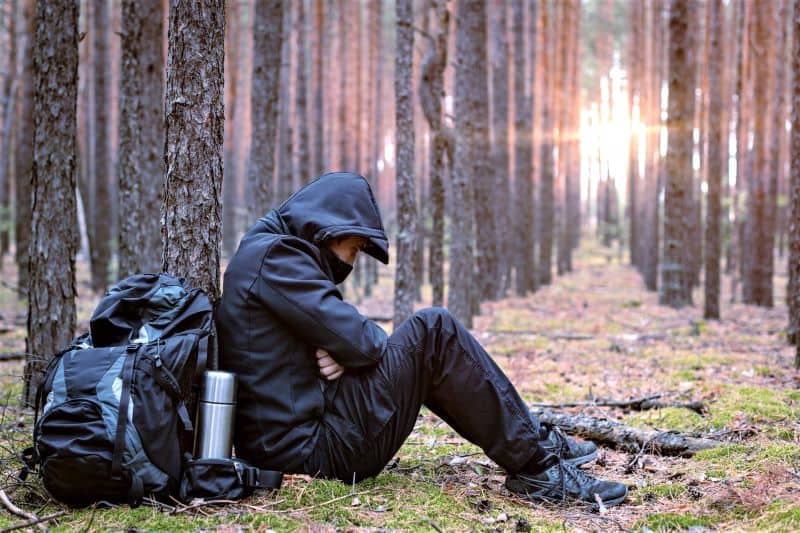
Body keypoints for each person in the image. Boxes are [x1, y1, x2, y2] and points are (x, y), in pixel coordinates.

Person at [217, 172, 628, 507]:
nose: (353, 262)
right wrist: (349, 348)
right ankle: (539, 468)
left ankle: (535, 442)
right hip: (310, 453)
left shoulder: (271, 257)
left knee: (427, 336)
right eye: (356, 248)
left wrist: (342, 351)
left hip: (305, 437)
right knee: (433, 331)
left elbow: (344, 342)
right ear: (330, 228)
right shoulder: (276, 258)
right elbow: (363, 342)